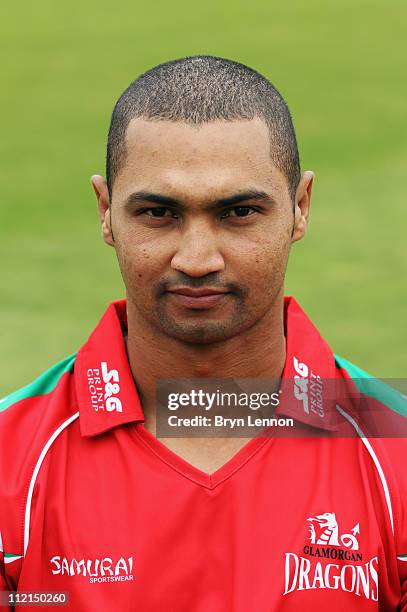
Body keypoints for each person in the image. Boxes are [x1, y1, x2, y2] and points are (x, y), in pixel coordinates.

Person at [0, 55, 406, 611]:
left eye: (238, 212)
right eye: (157, 213)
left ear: (299, 208)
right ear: (105, 212)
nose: (196, 259)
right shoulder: (10, 462)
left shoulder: (396, 458)